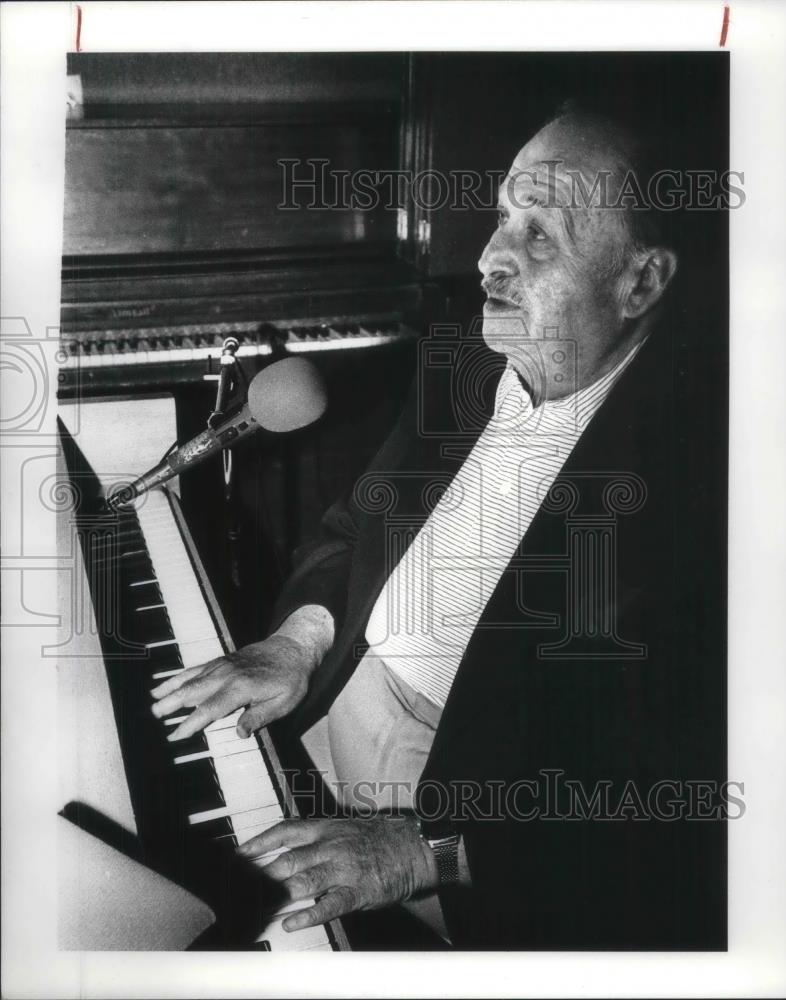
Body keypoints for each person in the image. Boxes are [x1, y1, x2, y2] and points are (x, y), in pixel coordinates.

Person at [151, 106, 727, 949]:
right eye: (501, 216)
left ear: (640, 283)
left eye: (541, 239)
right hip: (327, 689)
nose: (491, 258)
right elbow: (354, 527)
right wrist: (297, 642)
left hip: (462, 811)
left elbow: (686, 807)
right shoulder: (472, 355)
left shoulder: (704, 489)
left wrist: (433, 850)